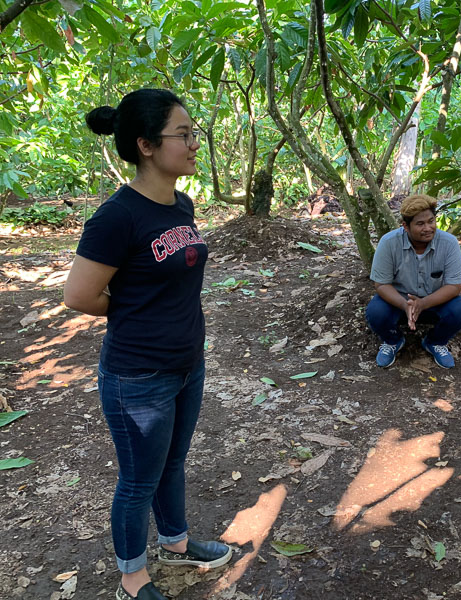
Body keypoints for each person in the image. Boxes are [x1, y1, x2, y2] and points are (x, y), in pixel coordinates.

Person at [64, 89, 231, 600]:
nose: (194, 143)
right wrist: (136, 310)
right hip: (138, 375)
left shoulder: (182, 204)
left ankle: (175, 547)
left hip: (186, 363)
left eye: (192, 133)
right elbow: (79, 295)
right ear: (146, 145)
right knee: (137, 481)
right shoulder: (117, 217)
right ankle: (132, 578)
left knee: (173, 463)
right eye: (183, 134)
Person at [366, 194, 461, 369]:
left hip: (435, 301)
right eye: (420, 224)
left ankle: (435, 341)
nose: (428, 228)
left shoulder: (449, 243)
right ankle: (393, 341)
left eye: (431, 221)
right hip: (399, 302)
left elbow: (454, 286)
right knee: (375, 311)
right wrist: (405, 305)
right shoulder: (389, 243)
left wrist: (423, 303)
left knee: (460, 310)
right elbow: (381, 284)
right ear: (405, 226)